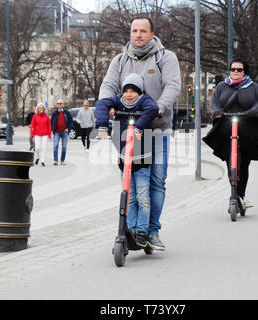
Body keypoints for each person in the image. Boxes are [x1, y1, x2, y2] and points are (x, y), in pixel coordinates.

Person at [99, 15, 181, 251]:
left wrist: (160, 107)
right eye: (134, 31)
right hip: (129, 130)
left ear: (152, 34)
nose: (138, 35)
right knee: (132, 184)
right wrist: (108, 105)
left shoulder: (166, 57)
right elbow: (108, 85)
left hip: (157, 129)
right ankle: (134, 228)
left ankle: (152, 231)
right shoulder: (120, 59)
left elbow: (172, 86)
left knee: (157, 181)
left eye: (143, 31)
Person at [203, 57, 258, 209]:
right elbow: (214, 101)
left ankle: (240, 195)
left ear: (244, 72)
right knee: (231, 159)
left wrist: (251, 112)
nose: (235, 72)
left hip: (247, 126)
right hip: (226, 125)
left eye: (239, 70)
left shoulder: (253, 86)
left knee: (245, 162)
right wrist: (217, 111)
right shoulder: (222, 86)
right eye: (233, 69)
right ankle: (233, 188)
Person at [96, 73, 159, 248]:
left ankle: (142, 231)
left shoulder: (144, 101)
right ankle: (130, 229)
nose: (129, 94)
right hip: (125, 158)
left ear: (139, 92)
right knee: (129, 197)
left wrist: (139, 126)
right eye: (127, 91)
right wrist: (102, 124)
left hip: (142, 159)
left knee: (142, 197)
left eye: (133, 91)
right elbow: (101, 103)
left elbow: (153, 109)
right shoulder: (118, 101)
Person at [50, 98, 73, 165]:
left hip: (64, 132)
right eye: (58, 103)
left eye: (60, 103)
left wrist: (68, 128)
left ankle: (62, 160)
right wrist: (52, 129)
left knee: (64, 147)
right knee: (55, 145)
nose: (59, 105)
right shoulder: (54, 113)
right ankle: (55, 160)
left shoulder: (66, 112)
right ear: (57, 105)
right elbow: (51, 122)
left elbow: (71, 120)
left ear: (63, 104)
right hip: (56, 132)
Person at [30, 103, 52, 167]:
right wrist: (32, 134)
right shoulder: (35, 116)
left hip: (45, 134)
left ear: (44, 109)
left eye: (42, 108)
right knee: (37, 148)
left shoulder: (46, 116)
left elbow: (49, 126)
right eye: (40, 108)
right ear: (38, 109)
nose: (41, 109)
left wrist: (49, 135)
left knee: (43, 148)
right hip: (37, 134)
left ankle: (42, 161)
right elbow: (32, 126)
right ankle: (37, 157)